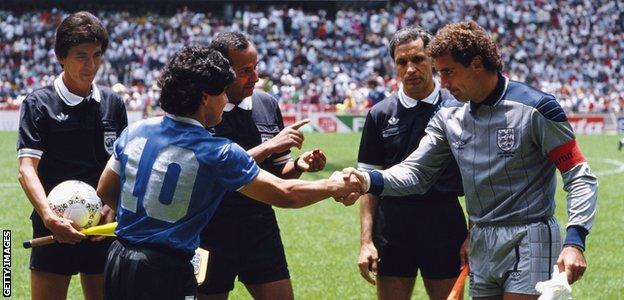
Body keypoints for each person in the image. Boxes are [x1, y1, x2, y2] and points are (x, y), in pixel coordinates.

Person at [344, 21, 597, 299]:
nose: (444, 83)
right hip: (481, 241)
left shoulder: (537, 107)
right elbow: (416, 171)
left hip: (530, 235)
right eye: (440, 74)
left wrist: (575, 241)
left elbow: (578, 175)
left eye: (449, 72)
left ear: (476, 64)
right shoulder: (448, 115)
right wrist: (366, 179)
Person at [96, 45, 361, 300]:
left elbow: (105, 189)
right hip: (166, 270)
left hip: (118, 260)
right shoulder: (217, 151)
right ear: (204, 98)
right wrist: (334, 185)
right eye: (221, 92)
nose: (225, 99)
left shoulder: (135, 131)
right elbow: (285, 194)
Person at [197, 32, 326, 300]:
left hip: (259, 228)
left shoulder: (267, 104)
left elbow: (279, 171)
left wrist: (300, 164)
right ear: (222, 70)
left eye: (255, 68)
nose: (255, 77)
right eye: (245, 70)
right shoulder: (203, 110)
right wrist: (270, 146)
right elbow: (217, 172)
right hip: (210, 230)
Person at [16, 11, 126, 300]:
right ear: (60, 56)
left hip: (103, 227)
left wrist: (112, 207)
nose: (91, 65)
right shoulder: (39, 103)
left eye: (97, 55)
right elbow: (27, 169)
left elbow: (126, 166)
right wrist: (50, 217)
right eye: (81, 56)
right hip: (52, 226)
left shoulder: (114, 103)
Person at [356, 26, 466, 300]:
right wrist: (366, 241)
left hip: (444, 226)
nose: (410, 69)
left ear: (433, 60)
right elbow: (369, 182)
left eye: (417, 59)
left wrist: (472, 234)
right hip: (393, 228)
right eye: (402, 62)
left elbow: (480, 178)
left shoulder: (459, 109)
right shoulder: (380, 114)